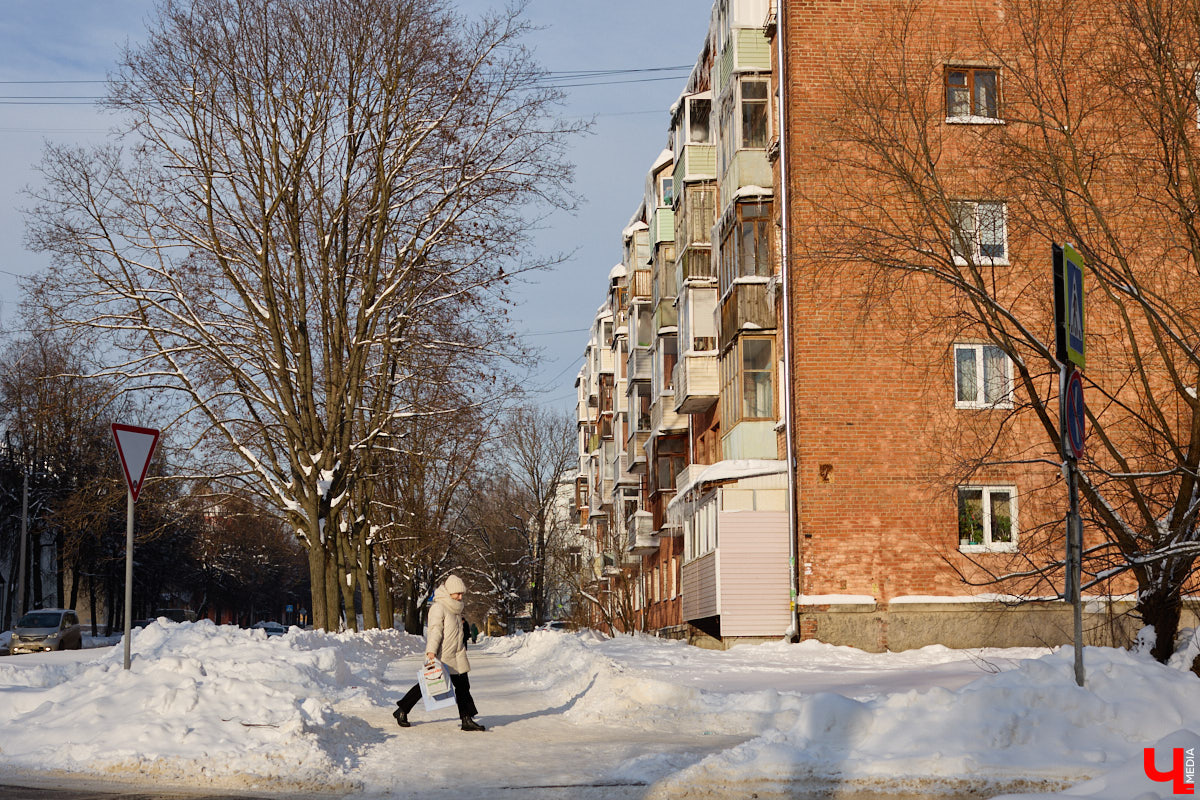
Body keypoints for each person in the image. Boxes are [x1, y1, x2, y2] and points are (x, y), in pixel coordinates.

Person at [393, 575, 485, 732]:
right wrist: (431, 651)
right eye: (457, 593)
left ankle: (466, 719)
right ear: (449, 592)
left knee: (463, 687)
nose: (460, 597)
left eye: (462, 594)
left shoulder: (455, 609)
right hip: (443, 655)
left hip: (457, 654)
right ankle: (402, 709)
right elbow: (435, 631)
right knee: (428, 685)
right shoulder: (439, 607)